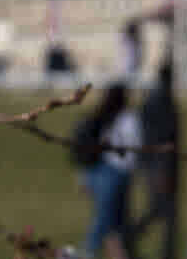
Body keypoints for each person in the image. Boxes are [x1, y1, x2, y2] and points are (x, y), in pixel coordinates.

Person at [75, 82, 140, 259]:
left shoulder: (105, 116)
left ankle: (119, 254)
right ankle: (87, 253)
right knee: (105, 219)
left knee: (114, 222)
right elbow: (133, 145)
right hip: (113, 171)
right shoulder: (126, 117)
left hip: (108, 171)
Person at [135, 65, 183, 259]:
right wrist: (164, 168)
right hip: (161, 164)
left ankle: (131, 237)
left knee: (161, 209)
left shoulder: (151, 98)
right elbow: (164, 137)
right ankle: (129, 236)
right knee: (164, 210)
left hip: (152, 162)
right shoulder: (164, 100)